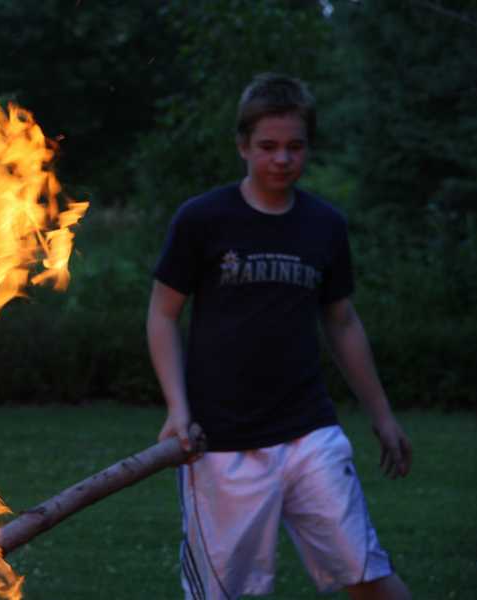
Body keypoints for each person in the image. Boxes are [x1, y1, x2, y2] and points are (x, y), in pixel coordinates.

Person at [147, 73, 413, 600]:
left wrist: (382, 416)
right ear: (243, 146)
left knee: (366, 573)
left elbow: (342, 321)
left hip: (309, 433)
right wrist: (178, 408)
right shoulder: (203, 219)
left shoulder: (324, 225)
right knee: (223, 593)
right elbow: (161, 314)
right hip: (220, 443)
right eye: (268, 146)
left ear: (308, 147)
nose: (283, 159)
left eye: (295, 146)